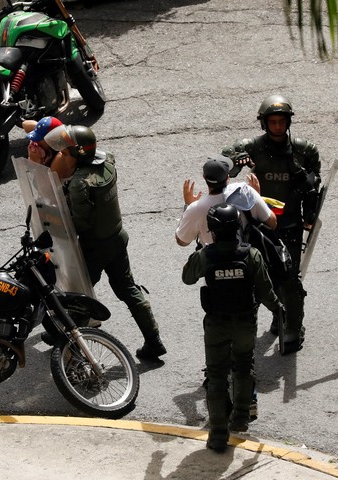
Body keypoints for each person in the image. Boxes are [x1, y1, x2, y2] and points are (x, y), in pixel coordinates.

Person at [44, 124, 167, 360]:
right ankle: (154, 341)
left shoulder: (80, 183)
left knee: (78, 295)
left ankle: (71, 347)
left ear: (78, 155)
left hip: (94, 247)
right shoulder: (107, 162)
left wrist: (58, 209)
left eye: (65, 153)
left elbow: (80, 224)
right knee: (128, 290)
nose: (62, 155)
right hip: (116, 238)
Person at [221, 95, 320, 353]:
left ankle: (294, 329)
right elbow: (225, 161)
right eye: (272, 122)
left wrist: (309, 210)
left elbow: (316, 180)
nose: (278, 126)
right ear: (264, 124)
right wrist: (237, 159)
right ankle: (279, 314)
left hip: (290, 225)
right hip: (261, 225)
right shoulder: (253, 147)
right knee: (260, 278)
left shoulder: (303, 149)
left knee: (289, 279)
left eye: (282, 121)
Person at [182, 203, 282, 452]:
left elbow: (187, 277)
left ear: (213, 230)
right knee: (244, 365)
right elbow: (265, 291)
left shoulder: (207, 255)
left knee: (216, 375)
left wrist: (198, 252)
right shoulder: (251, 255)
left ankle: (217, 434)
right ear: (237, 227)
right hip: (245, 322)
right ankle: (240, 417)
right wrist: (279, 310)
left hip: (216, 323)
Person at [175, 155, 277, 247]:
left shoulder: (196, 208)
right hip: (248, 261)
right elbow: (272, 223)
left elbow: (182, 241)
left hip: (214, 265)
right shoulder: (246, 193)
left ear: (204, 178)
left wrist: (188, 205)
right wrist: (256, 197)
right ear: (227, 177)